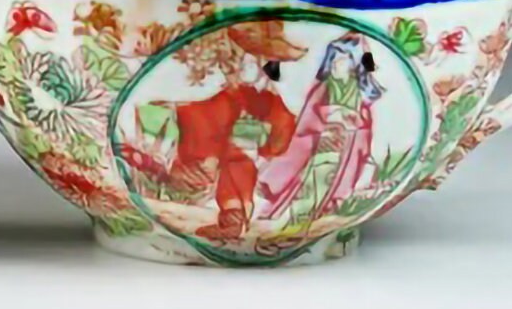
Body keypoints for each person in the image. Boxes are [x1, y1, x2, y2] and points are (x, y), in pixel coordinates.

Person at [164, 19, 306, 245]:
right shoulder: (213, 91)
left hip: (246, 141)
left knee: (237, 158)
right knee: (231, 153)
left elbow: (281, 128)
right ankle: (233, 211)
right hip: (219, 137)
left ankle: (235, 213)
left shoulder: (267, 94)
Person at [256, 32, 384, 226]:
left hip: (348, 145)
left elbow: (365, 126)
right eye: (333, 61)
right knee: (307, 166)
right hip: (320, 141)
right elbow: (308, 119)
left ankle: (328, 206)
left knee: (340, 169)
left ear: (354, 64)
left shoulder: (360, 92)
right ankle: (292, 208)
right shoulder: (323, 89)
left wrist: (351, 121)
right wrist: (329, 116)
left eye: (341, 61)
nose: (335, 65)